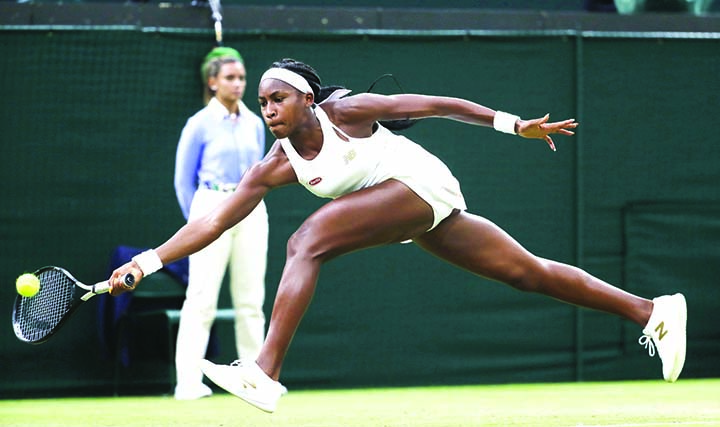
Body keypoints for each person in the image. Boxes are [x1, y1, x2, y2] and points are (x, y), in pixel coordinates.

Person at [110, 58, 687, 413]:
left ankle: (263, 372)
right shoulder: (275, 164)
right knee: (527, 273)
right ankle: (652, 312)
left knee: (305, 240)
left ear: (307, 98)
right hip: (414, 214)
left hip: (419, 185)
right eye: (262, 103)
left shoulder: (349, 112)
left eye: (277, 98)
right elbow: (213, 220)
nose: (269, 110)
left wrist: (515, 125)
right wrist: (148, 261)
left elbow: (435, 105)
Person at [171, 46, 269, 400]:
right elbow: (183, 181)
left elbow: (259, 173)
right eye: (230, 78)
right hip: (209, 206)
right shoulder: (197, 124)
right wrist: (197, 225)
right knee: (200, 299)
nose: (238, 84)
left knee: (251, 300)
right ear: (212, 82)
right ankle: (188, 383)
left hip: (250, 209)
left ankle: (256, 381)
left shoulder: (257, 123)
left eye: (242, 78)